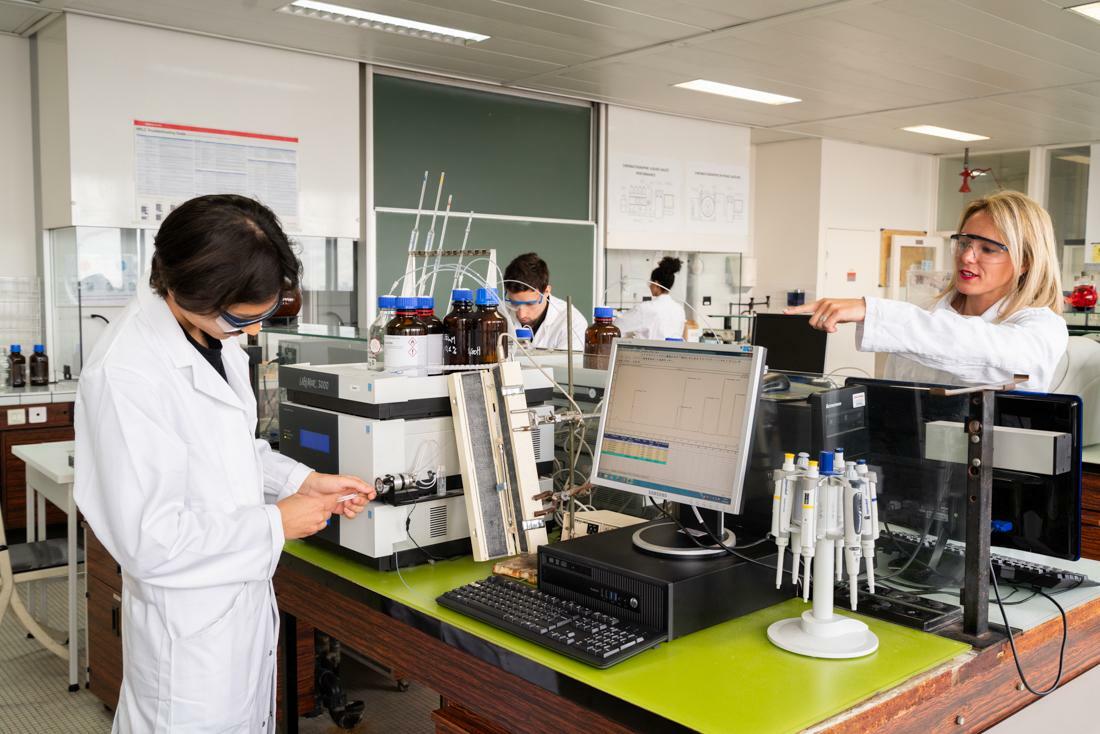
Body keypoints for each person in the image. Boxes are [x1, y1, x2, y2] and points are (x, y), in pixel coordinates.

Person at [74, 194, 376, 733]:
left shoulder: (212, 338)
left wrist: (302, 481)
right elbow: (150, 541)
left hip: (236, 609)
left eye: (264, 315)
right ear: (191, 291)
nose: (254, 333)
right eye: (244, 318)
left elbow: (230, 450)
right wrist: (276, 522)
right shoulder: (127, 374)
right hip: (186, 635)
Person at [787, 191, 1067, 392]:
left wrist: (872, 310)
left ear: (1025, 261)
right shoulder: (925, 313)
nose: (966, 257)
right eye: (964, 243)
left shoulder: (1041, 327)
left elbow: (979, 348)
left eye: (988, 249)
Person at [502, 252, 587, 350]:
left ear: (546, 292)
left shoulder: (572, 323)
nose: (521, 315)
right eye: (514, 303)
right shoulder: (498, 314)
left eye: (530, 304)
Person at [614, 256, 686, 340]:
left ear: (656, 284)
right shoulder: (679, 309)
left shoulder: (646, 308)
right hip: (672, 349)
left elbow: (617, 326)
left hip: (650, 349)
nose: (649, 286)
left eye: (650, 283)